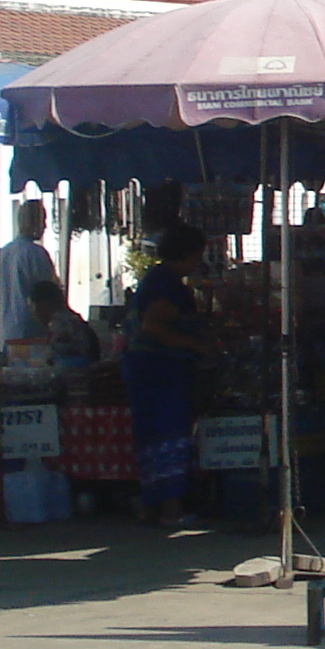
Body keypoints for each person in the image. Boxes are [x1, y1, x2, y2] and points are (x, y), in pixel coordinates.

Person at [121, 223, 211, 527]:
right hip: (161, 373)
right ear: (185, 254)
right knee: (168, 436)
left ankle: (153, 504)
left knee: (151, 437)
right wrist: (196, 344)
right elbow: (154, 325)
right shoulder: (165, 285)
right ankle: (170, 508)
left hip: (149, 372)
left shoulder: (158, 279)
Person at [0, 199, 61, 351]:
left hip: (7, 335)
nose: (45, 226)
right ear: (33, 222)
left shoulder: (3, 253)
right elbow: (51, 296)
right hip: (33, 337)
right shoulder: (36, 253)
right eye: (43, 220)